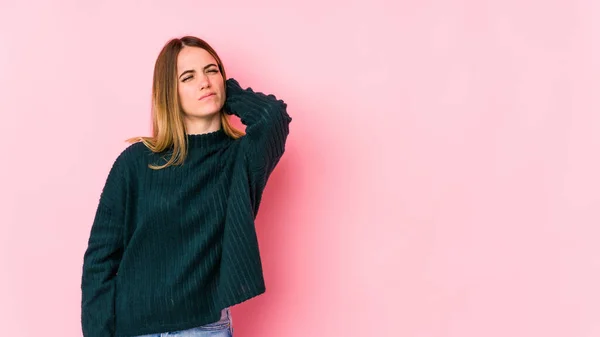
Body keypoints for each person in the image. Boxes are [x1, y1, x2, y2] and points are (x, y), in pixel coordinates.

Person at [80, 35, 292, 337]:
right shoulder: (137, 162)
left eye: (211, 70)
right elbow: (99, 261)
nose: (204, 82)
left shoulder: (241, 159)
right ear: (170, 93)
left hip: (204, 329)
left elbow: (273, 117)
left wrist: (223, 92)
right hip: (132, 329)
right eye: (188, 77)